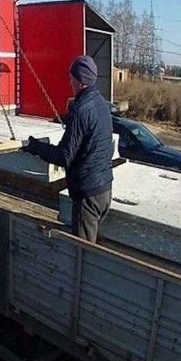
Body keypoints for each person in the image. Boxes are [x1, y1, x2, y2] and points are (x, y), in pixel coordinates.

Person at [23, 55, 114, 243]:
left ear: (79, 81)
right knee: (92, 247)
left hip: (88, 195)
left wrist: (36, 147)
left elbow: (64, 157)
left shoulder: (81, 110)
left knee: (82, 255)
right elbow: (91, 135)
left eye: (71, 77)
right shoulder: (101, 104)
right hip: (104, 189)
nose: (69, 81)